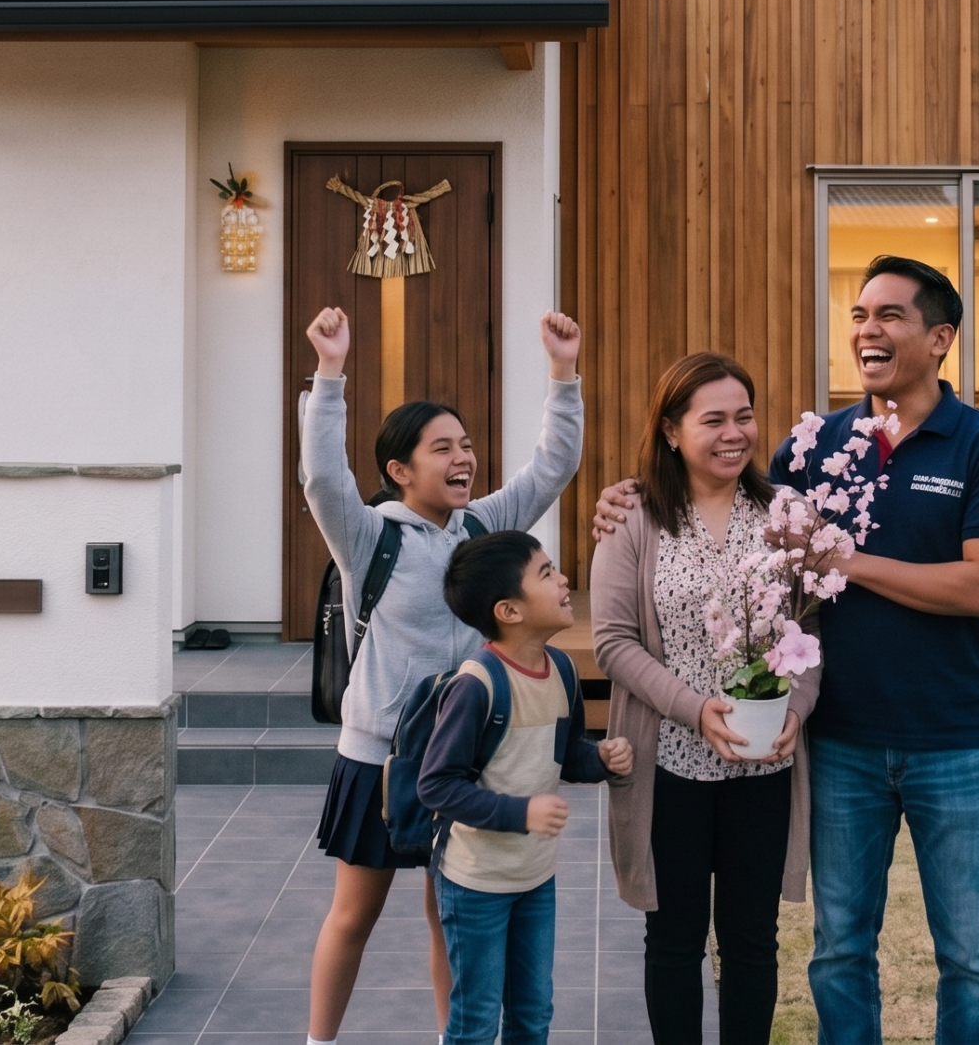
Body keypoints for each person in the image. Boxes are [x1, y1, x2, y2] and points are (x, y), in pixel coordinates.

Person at [591, 256, 979, 1044]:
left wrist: (847, 561)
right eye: (860, 314)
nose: (867, 328)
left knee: (969, 956)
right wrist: (624, 497)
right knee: (837, 953)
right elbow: (723, 496)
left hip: (951, 739)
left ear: (940, 338)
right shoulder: (813, 449)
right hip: (840, 746)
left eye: (890, 315)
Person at [300, 306, 587, 1045]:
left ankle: (449, 1038)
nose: (463, 458)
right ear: (401, 470)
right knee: (355, 913)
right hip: (380, 758)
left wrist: (563, 374)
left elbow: (552, 465)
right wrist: (330, 374)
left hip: (460, 761)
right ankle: (317, 1041)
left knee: (447, 913)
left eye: (465, 445)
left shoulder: (485, 527)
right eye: (441, 449)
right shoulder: (369, 537)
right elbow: (322, 480)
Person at [590, 352, 818, 1045]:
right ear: (670, 431)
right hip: (672, 766)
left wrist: (796, 710)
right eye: (712, 419)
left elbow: (808, 632)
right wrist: (694, 708)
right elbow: (612, 641)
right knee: (674, 938)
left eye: (744, 416)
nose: (733, 433)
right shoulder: (635, 515)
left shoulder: (785, 514)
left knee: (753, 940)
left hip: (764, 764)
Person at [420, 531, 633, 1045]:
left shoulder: (561, 668)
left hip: (535, 877)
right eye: (546, 573)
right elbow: (437, 785)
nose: (563, 581)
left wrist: (600, 759)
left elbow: (567, 752)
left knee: (533, 1015)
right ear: (509, 611)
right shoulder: (477, 684)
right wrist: (521, 813)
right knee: (474, 1021)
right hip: (475, 883)